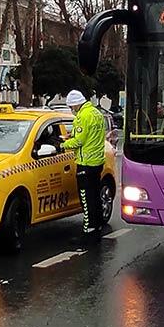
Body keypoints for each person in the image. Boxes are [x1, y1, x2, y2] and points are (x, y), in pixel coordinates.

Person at [61, 89, 107, 237]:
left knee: (86, 199)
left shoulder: (82, 117)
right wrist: (72, 135)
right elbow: (90, 135)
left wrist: (61, 145)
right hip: (97, 162)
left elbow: (79, 141)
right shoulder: (96, 113)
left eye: (70, 107)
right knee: (95, 196)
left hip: (85, 163)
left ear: (75, 105)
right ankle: (97, 227)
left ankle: (88, 231)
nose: (71, 110)